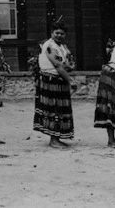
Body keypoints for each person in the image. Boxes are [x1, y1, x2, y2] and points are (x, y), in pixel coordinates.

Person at [32, 20, 76, 148]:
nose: (59, 35)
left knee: (60, 109)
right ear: (51, 33)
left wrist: (70, 67)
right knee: (54, 109)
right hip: (50, 81)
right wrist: (70, 80)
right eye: (57, 33)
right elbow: (57, 65)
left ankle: (57, 137)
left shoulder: (62, 46)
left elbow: (63, 63)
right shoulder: (49, 46)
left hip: (58, 80)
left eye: (62, 33)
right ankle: (54, 140)